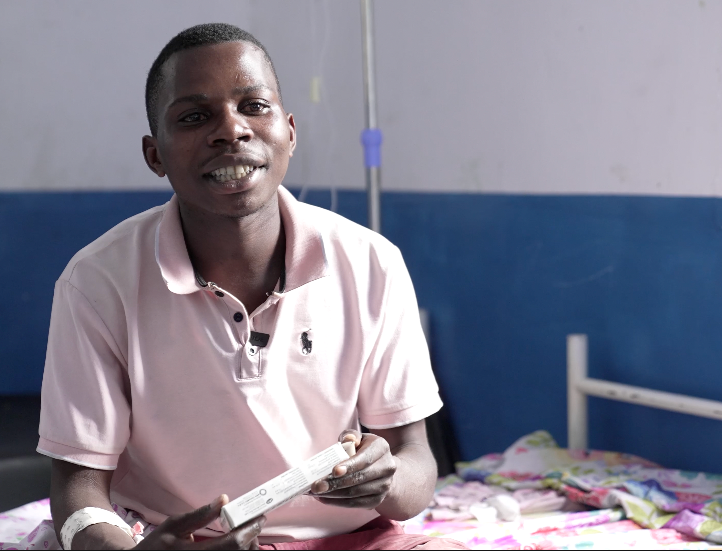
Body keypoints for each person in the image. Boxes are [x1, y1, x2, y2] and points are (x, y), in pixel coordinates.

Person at [38, 23, 462, 550]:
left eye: (254, 106)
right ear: (155, 155)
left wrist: (384, 482)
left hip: (352, 541)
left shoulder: (371, 263)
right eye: (194, 117)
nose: (231, 130)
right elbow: (77, 489)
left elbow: (416, 462)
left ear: (289, 131)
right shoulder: (98, 282)